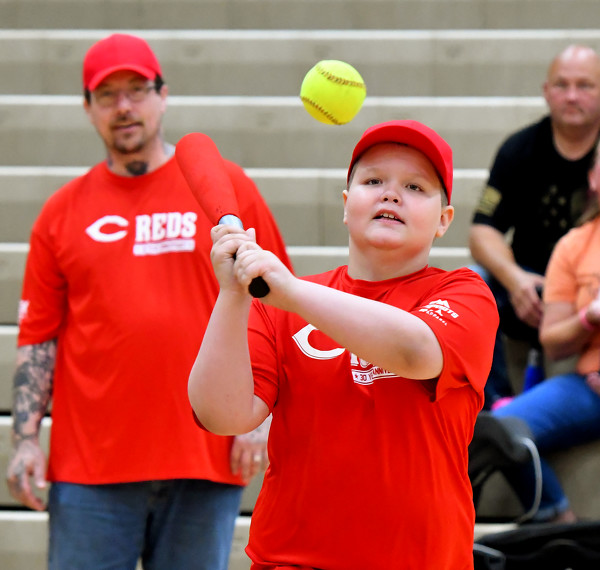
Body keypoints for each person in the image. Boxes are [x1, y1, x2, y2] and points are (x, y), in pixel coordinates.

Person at [5, 33, 292, 570]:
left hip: (205, 453)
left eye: (136, 90)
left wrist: (259, 418)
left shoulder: (223, 187)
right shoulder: (61, 213)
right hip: (91, 468)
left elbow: (274, 303)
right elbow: (38, 338)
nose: (124, 107)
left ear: (163, 95)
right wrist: (24, 439)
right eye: (107, 95)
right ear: (87, 108)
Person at [189, 120, 499, 569]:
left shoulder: (465, 293)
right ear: (346, 204)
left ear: (443, 220)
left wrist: (290, 291)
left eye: (415, 186)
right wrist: (233, 295)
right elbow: (222, 415)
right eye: (373, 181)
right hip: (291, 562)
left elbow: (416, 352)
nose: (391, 195)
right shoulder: (280, 304)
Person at [469, 44, 600, 409]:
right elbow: (482, 230)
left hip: (587, 289)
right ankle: (495, 403)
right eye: (562, 85)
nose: (571, 96)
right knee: (473, 281)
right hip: (529, 285)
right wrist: (515, 279)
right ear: (546, 91)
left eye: (585, 85)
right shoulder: (519, 149)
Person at [493, 140, 600, 524]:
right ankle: (559, 525)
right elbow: (552, 341)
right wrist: (589, 317)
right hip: (590, 387)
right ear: (593, 178)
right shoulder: (575, 245)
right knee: (501, 430)